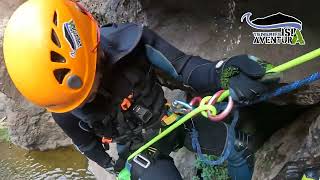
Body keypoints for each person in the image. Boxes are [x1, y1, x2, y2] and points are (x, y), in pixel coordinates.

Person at [3, 0, 279, 179]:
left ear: (93, 49)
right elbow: (87, 144)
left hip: (170, 119)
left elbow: (185, 68)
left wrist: (224, 72)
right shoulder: (62, 104)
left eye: (86, 88)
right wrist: (116, 168)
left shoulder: (134, 43)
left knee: (240, 147)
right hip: (137, 150)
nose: (86, 99)